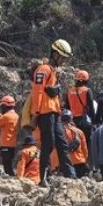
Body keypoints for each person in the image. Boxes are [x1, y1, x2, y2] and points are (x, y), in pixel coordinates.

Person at [27, 39, 75, 183]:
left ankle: (71, 176)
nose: (64, 61)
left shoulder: (53, 71)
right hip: (44, 113)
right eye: (62, 57)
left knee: (62, 143)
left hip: (54, 112)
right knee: (49, 143)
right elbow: (37, 92)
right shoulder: (44, 69)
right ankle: (44, 178)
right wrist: (36, 113)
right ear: (55, 54)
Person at [57, 109, 90, 177]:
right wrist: (85, 159)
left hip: (66, 163)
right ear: (71, 118)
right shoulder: (79, 132)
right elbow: (85, 149)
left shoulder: (59, 133)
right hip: (80, 161)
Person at [68, 70, 96, 143]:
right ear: (86, 80)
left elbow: (67, 107)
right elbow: (91, 108)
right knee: (86, 143)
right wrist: (94, 121)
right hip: (84, 120)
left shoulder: (70, 91)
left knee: (74, 143)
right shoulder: (87, 90)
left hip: (72, 121)